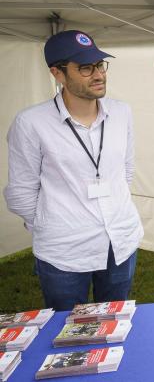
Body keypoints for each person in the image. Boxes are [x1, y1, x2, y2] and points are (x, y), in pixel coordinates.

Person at [3, 30, 143, 311]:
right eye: (85, 68)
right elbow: (21, 192)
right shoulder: (31, 123)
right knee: (65, 332)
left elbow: (125, 171)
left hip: (120, 240)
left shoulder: (121, 113)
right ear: (57, 73)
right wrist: (51, 225)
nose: (99, 74)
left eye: (100, 65)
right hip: (64, 250)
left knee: (113, 322)